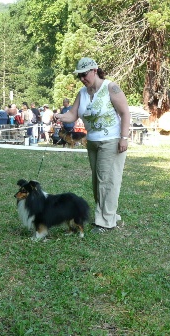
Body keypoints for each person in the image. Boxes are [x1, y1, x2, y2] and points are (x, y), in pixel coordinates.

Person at [54, 57, 130, 233]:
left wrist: (124, 137)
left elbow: (125, 112)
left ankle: (105, 222)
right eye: (79, 75)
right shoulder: (82, 93)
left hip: (111, 140)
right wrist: (60, 117)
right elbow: (73, 115)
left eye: (84, 74)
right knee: (97, 182)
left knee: (107, 180)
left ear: (94, 70)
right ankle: (109, 214)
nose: (82, 78)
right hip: (92, 142)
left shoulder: (111, 87)